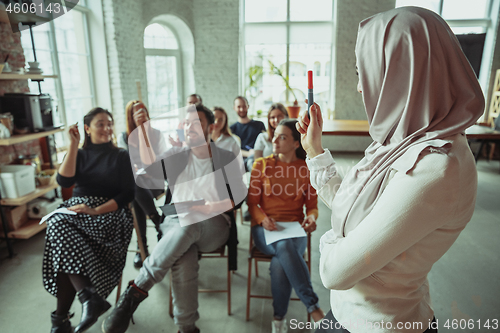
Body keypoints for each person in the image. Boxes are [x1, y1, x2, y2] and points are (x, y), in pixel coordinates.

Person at [296, 7, 485, 333]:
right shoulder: (410, 138)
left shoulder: (437, 167)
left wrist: (335, 237)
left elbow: (335, 273)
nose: (359, 88)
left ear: (406, 74)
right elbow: (356, 206)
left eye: (364, 73)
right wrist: (315, 151)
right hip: (354, 316)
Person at [102, 104, 246, 333]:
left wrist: (211, 207)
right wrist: (142, 129)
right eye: (186, 122)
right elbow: (149, 171)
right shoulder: (176, 155)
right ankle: (186, 328)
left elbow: (238, 197)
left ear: (211, 126)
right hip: (176, 221)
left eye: (196, 122)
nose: (190, 127)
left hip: (215, 224)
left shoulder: (226, 157)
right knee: (183, 255)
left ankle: (135, 291)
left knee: (190, 224)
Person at [43, 107, 135, 333]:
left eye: (109, 123)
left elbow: (127, 195)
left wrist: (96, 211)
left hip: (109, 214)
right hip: (77, 211)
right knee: (57, 222)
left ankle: (62, 319)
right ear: (87, 129)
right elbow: (64, 181)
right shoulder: (80, 153)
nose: (107, 128)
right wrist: (73, 145)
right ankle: (87, 300)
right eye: (100, 124)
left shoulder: (121, 155)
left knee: (61, 238)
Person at [248, 119, 324, 333]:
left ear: (296, 143)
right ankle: (314, 308)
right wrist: (262, 218)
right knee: (283, 246)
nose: (274, 140)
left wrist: (312, 217)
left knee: (280, 263)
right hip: (264, 229)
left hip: (294, 229)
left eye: (282, 137)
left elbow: (312, 205)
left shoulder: (305, 169)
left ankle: (278, 320)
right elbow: (252, 203)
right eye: (275, 135)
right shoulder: (261, 165)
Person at [118, 100, 165, 268]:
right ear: (130, 117)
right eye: (136, 113)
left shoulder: (157, 135)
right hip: (136, 185)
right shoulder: (123, 137)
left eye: (143, 111)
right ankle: (158, 222)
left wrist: (143, 132)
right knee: (134, 188)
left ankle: (141, 247)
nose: (141, 115)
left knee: (134, 189)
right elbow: (124, 164)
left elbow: (158, 163)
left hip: (155, 182)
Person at [229, 96, 266, 171]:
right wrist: (248, 153)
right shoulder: (231, 129)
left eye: (244, 106)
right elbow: (232, 149)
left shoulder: (259, 125)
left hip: (256, 158)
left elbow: (265, 143)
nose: (242, 109)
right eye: (239, 107)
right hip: (239, 160)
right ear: (234, 108)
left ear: (248, 107)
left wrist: (255, 153)